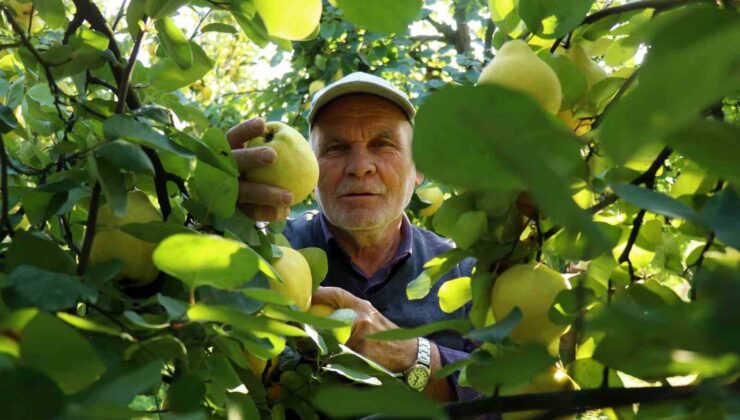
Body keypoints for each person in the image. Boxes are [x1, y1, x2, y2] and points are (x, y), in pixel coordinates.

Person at [227, 72, 478, 403]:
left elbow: (513, 396)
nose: (360, 167)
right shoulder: (262, 254)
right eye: (336, 148)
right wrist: (216, 221)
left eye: (383, 144)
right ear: (310, 168)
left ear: (420, 168)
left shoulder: (464, 274)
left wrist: (413, 356)